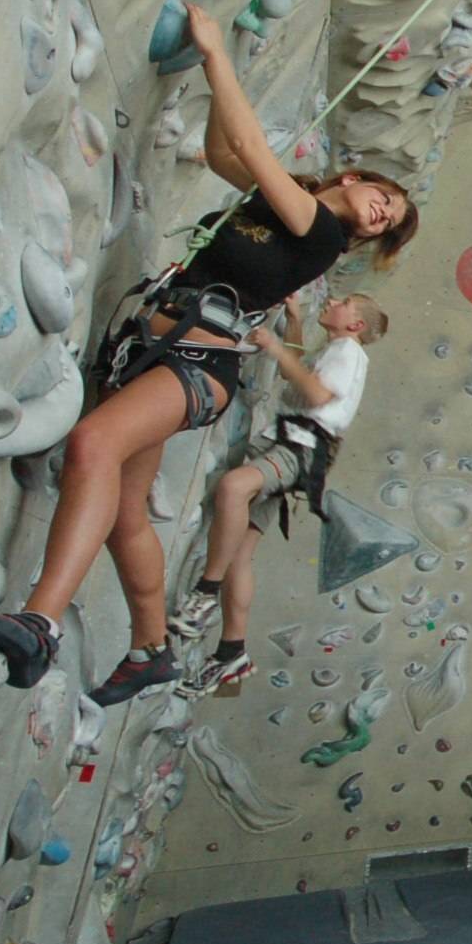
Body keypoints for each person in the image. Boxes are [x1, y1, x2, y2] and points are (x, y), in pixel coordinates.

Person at [0, 1, 417, 706]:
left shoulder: (320, 232)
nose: (386, 212)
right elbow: (231, 154)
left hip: (197, 365)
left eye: (390, 223)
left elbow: (258, 152)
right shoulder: (286, 203)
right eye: (387, 197)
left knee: (89, 448)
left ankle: (40, 621)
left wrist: (215, 55)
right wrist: (215, 91)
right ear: (356, 178)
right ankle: (151, 649)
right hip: (160, 345)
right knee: (125, 512)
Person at [170, 291, 386, 696]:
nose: (334, 300)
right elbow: (296, 376)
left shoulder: (348, 352)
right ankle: (231, 650)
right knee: (241, 551)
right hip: (295, 447)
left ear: (354, 324)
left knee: (234, 487)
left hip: (298, 449)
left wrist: (271, 345)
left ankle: (204, 593)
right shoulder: (338, 350)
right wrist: (293, 318)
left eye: (344, 302)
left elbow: (318, 394)